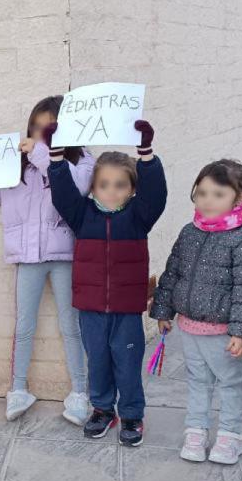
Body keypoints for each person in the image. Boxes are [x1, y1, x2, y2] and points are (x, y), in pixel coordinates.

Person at [0, 95, 95, 423]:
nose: (38, 134)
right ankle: (18, 389)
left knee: (71, 326)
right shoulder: (15, 165)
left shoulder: (82, 163)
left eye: (47, 129)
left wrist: (40, 154)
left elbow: (78, 188)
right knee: (24, 324)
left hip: (65, 255)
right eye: (35, 127)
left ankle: (81, 392)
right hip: (27, 257)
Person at [44, 120, 166, 447]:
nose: (111, 191)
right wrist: (55, 158)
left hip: (126, 310)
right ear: (93, 187)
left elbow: (156, 195)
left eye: (120, 185)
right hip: (91, 307)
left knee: (126, 362)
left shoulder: (139, 217)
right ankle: (102, 409)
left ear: (132, 189)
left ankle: (131, 413)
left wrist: (147, 156)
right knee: (97, 360)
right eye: (104, 184)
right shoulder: (83, 215)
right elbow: (63, 194)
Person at [150, 160, 242, 464]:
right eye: (201, 192)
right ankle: (196, 430)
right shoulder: (190, 231)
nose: (207, 200)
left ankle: (230, 436)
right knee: (197, 380)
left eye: (218, 194)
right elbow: (173, 271)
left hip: (224, 332)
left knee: (230, 382)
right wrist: (163, 310)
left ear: (240, 197)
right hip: (190, 326)